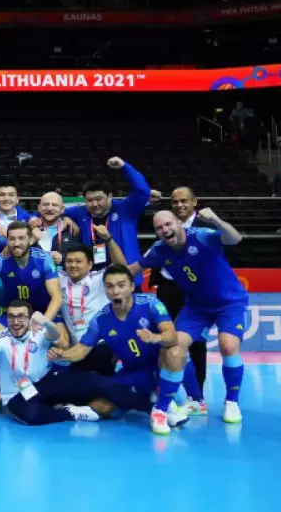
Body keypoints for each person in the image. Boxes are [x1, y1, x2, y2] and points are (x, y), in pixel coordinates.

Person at [130, 209, 248, 423]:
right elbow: (134, 269)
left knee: (228, 345)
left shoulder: (202, 236)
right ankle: (195, 401)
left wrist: (216, 220)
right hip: (197, 307)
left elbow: (235, 238)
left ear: (179, 223)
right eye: (159, 228)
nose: (165, 230)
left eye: (168, 224)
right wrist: (103, 278)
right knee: (173, 348)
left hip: (229, 302)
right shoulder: (159, 250)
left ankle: (232, 402)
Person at [53, 265, 191, 434]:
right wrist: (62, 355)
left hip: (159, 367)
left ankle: (162, 408)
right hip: (133, 372)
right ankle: (152, 400)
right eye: (110, 286)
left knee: (176, 352)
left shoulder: (151, 303)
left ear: (132, 287)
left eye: (121, 285)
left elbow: (172, 336)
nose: (115, 291)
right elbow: (81, 349)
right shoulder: (100, 319)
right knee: (100, 406)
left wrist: (155, 337)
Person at [0, 300, 152, 426]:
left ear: (29, 318)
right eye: (11, 317)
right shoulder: (1, 338)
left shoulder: (38, 331)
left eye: (21, 317)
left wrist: (47, 323)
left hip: (44, 384)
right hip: (17, 394)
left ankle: (153, 410)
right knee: (30, 416)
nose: (16, 322)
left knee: (93, 380)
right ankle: (72, 412)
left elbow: (54, 335)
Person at [0, 221, 64, 406]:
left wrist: (42, 322)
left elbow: (57, 297)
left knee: (63, 342)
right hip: (10, 312)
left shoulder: (44, 259)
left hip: (40, 311)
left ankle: (54, 387)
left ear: (30, 240)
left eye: (21, 238)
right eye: (12, 239)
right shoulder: (0, 261)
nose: (16, 243)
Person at [147, 186, 214, 412]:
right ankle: (166, 393)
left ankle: (197, 396)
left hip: (196, 291)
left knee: (196, 343)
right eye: (175, 202)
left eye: (184, 201)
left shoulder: (206, 225)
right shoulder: (165, 224)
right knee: (165, 339)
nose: (179, 205)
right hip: (167, 289)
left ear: (194, 202)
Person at [65, 157, 155, 283]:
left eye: (99, 199)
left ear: (110, 196)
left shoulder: (126, 208)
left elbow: (143, 191)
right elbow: (51, 211)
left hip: (127, 277)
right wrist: (65, 218)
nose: (94, 204)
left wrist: (124, 166)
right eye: (89, 200)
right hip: (93, 280)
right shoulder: (80, 212)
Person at [55, 232, 125, 376]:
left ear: (89, 264)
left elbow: (122, 269)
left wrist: (109, 239)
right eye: (69, 261)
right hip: (77, 348)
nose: (73, 265)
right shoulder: (58, 278)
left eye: (78, 261)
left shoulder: (100, 278)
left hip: (101, 344)